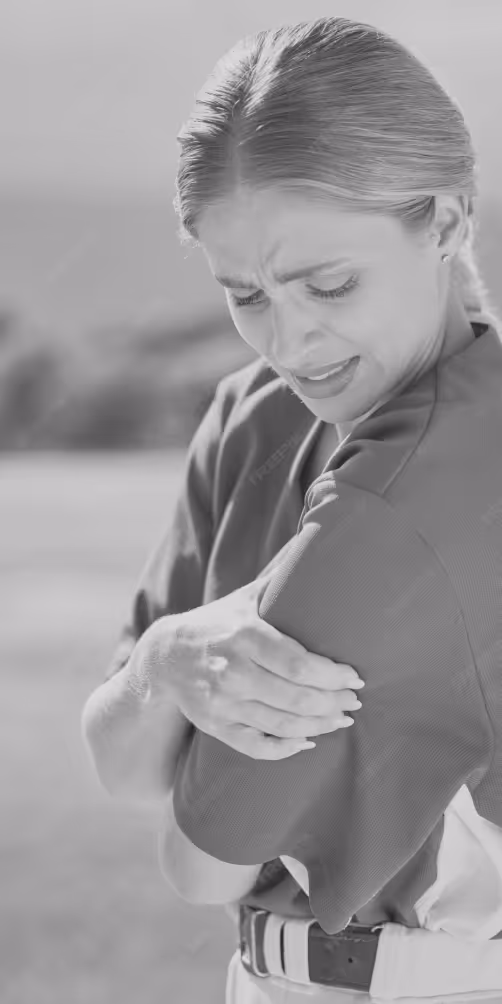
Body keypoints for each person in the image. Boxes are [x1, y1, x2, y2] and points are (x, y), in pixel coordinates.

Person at [82, 16, 502, 1003]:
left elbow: (200, 861)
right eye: (244, 293)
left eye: (329, 282)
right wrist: (165, 659)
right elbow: (120, 760)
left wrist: (174, 706)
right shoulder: (251, 413)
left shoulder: (452, 465)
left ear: (443, 223)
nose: (289, 339)